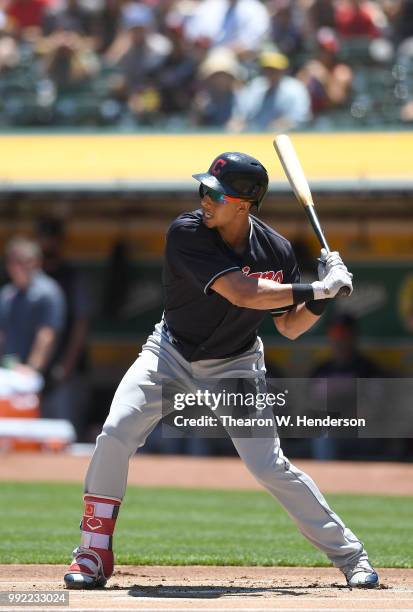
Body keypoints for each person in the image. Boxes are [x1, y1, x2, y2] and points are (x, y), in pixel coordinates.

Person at [64, 152, 379, 590]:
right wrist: (316, 286)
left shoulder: (277, 249)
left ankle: (352, 557)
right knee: (115, 431)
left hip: (236, 364)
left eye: (216, 194)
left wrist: (323, 299)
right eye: (204, 190)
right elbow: (243, 292)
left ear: (243, 205)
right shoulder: (187, 232)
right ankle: (92, 552)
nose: (204, 199)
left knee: (269, 466)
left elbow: (290, 326)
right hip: (169, 353)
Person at [36, 218, 92, 441]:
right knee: (35, 432)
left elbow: (81, 323)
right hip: (36, 370)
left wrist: (67, 364)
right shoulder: (32, 278)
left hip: (66, 370)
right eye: (44, 237)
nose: (48, 243)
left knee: (65, 433)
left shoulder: (70, 276)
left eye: (52, 238)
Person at [0, 237, 65, 379]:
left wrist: (31, 370)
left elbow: (47, 335)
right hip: (8, 370)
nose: (17, 267)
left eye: (22, 262)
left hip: (36, 375)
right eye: (12, 262)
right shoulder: (6, 294)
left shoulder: (48, 291)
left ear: (36, 262)